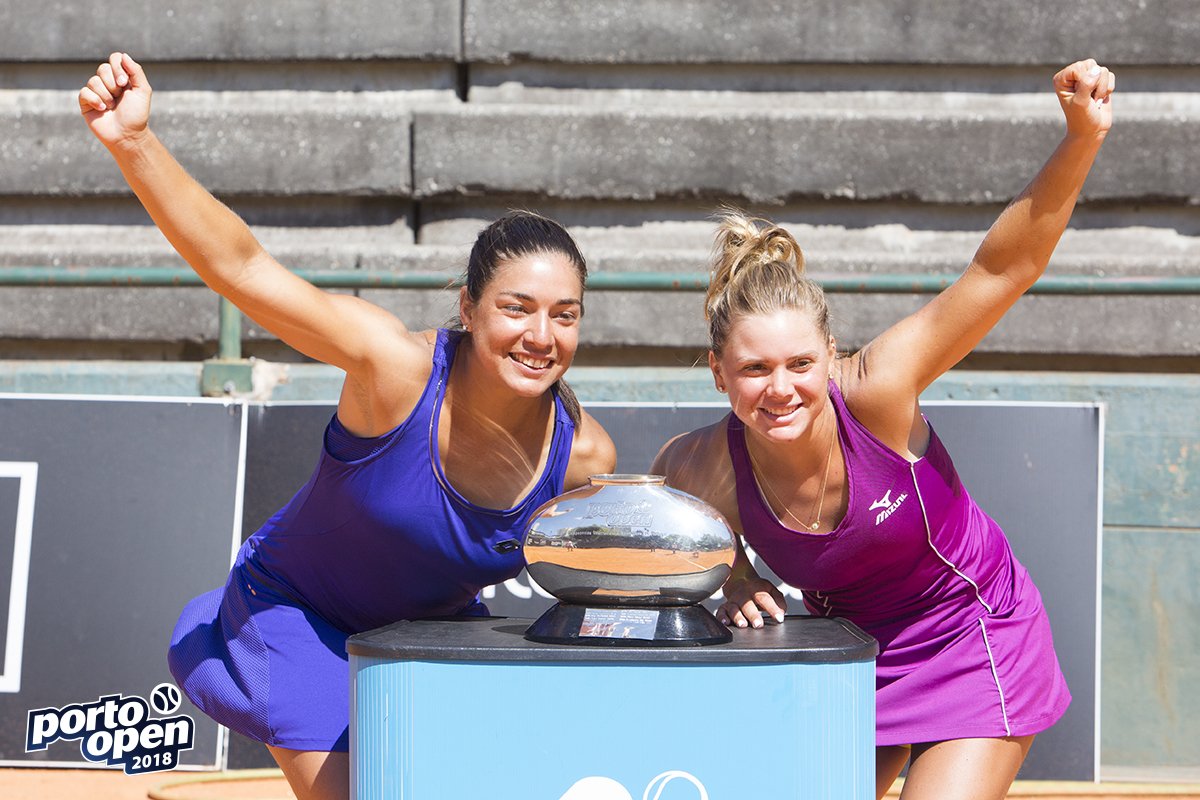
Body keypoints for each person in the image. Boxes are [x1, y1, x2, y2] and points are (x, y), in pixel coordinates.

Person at [79, 53, 616, 800]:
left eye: (565, 315)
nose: (541, 335)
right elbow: (244, 267)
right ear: (468, 309)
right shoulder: (389, 368)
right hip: (298, 610)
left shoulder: (584, 452)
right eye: (516, 308)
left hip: (428, 633)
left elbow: (605, 588)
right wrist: (133, 143)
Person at [651, 59, 1113, 800]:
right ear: (717, 373)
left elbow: (1003, 270)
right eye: (753, 369)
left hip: (972, 631)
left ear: (830, 355)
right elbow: (667, 518)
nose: (780, 389)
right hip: (851, 654)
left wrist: (1082, 137)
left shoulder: (878, 390)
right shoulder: (701, 465)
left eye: (800, 362)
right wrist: (732, 575)